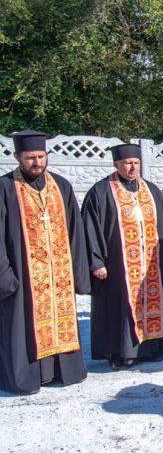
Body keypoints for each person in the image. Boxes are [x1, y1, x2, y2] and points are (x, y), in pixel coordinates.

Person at [0, 131, 91, 394]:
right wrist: (6, 277)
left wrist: (78, 273)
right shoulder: (5, 188)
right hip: (22, 275)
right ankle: (28, 378)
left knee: (60, 319)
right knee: (22, 327)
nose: (36, 163)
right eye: (30, 158)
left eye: (41, 156)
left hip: (58, 276)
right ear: (18, 157)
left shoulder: (61, 186)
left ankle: (62, 371)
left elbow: (76, 233)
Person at [82, 143, 163, 370]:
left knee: (152, 303)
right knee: (120, 309)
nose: (133, 167)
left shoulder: (151, 191)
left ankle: (151, 348)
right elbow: (89, 229)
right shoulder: (100, 192)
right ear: (116, 164)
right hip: (118, 266)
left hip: (151, 267)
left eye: (136, 163)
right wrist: (96, 262)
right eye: (128, 163)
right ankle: (121, 353)